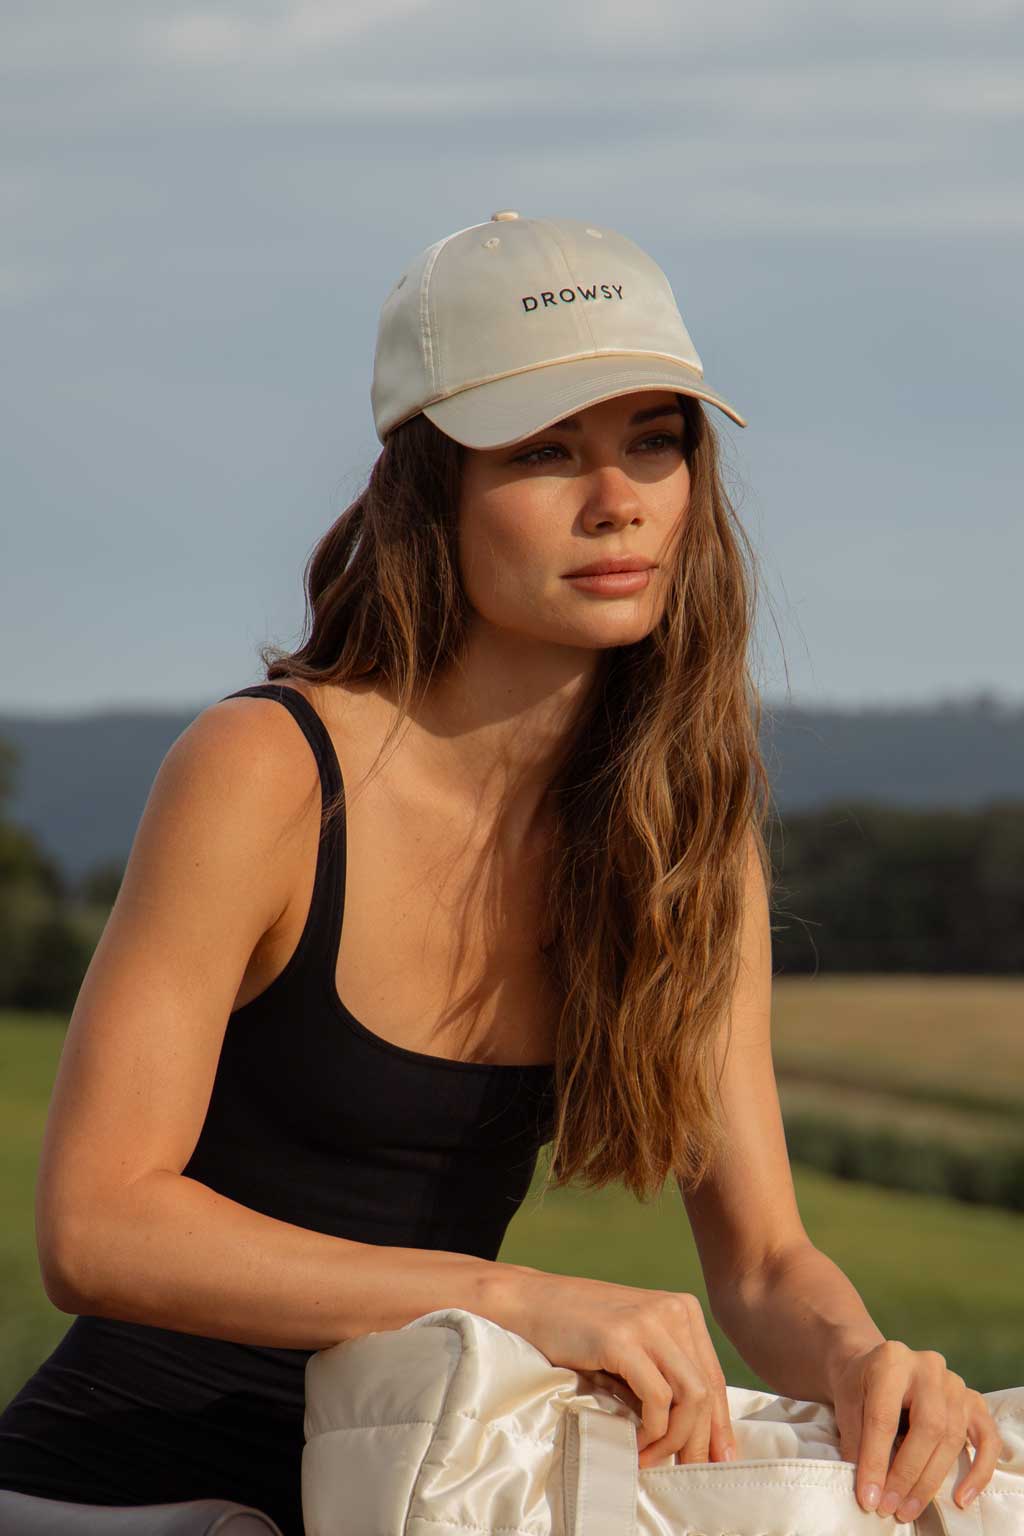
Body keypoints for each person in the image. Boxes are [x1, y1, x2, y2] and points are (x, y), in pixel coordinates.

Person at [0, 211, 998, 1535]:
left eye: (656, 439)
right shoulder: (268, 771)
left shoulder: (685, 833)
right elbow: (95, 1228)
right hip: (125, 1494)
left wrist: (870, 1362)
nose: (619, 499)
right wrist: (519, 1299)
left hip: (422, 1493)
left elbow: (761, 1262)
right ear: (434, 491)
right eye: (545, 451)